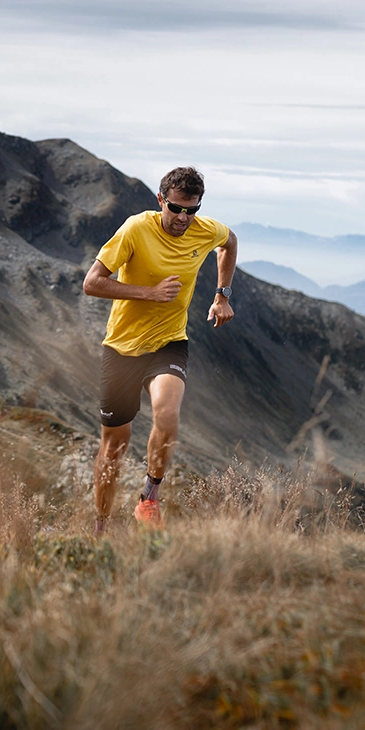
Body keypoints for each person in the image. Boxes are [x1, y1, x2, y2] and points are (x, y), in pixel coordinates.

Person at [82, 166, 237, 532]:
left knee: (167, 418)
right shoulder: (136, 228)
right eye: (176, 208)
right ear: (160, 200)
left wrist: (222, 295)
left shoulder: (205, 230)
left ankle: (148, 499)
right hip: (121, 348)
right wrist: (147, 294)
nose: (183, 217)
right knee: (114, 448)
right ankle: (100, 528)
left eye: (191, 209)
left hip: (169, 342)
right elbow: (92, 283)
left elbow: (229, 243)